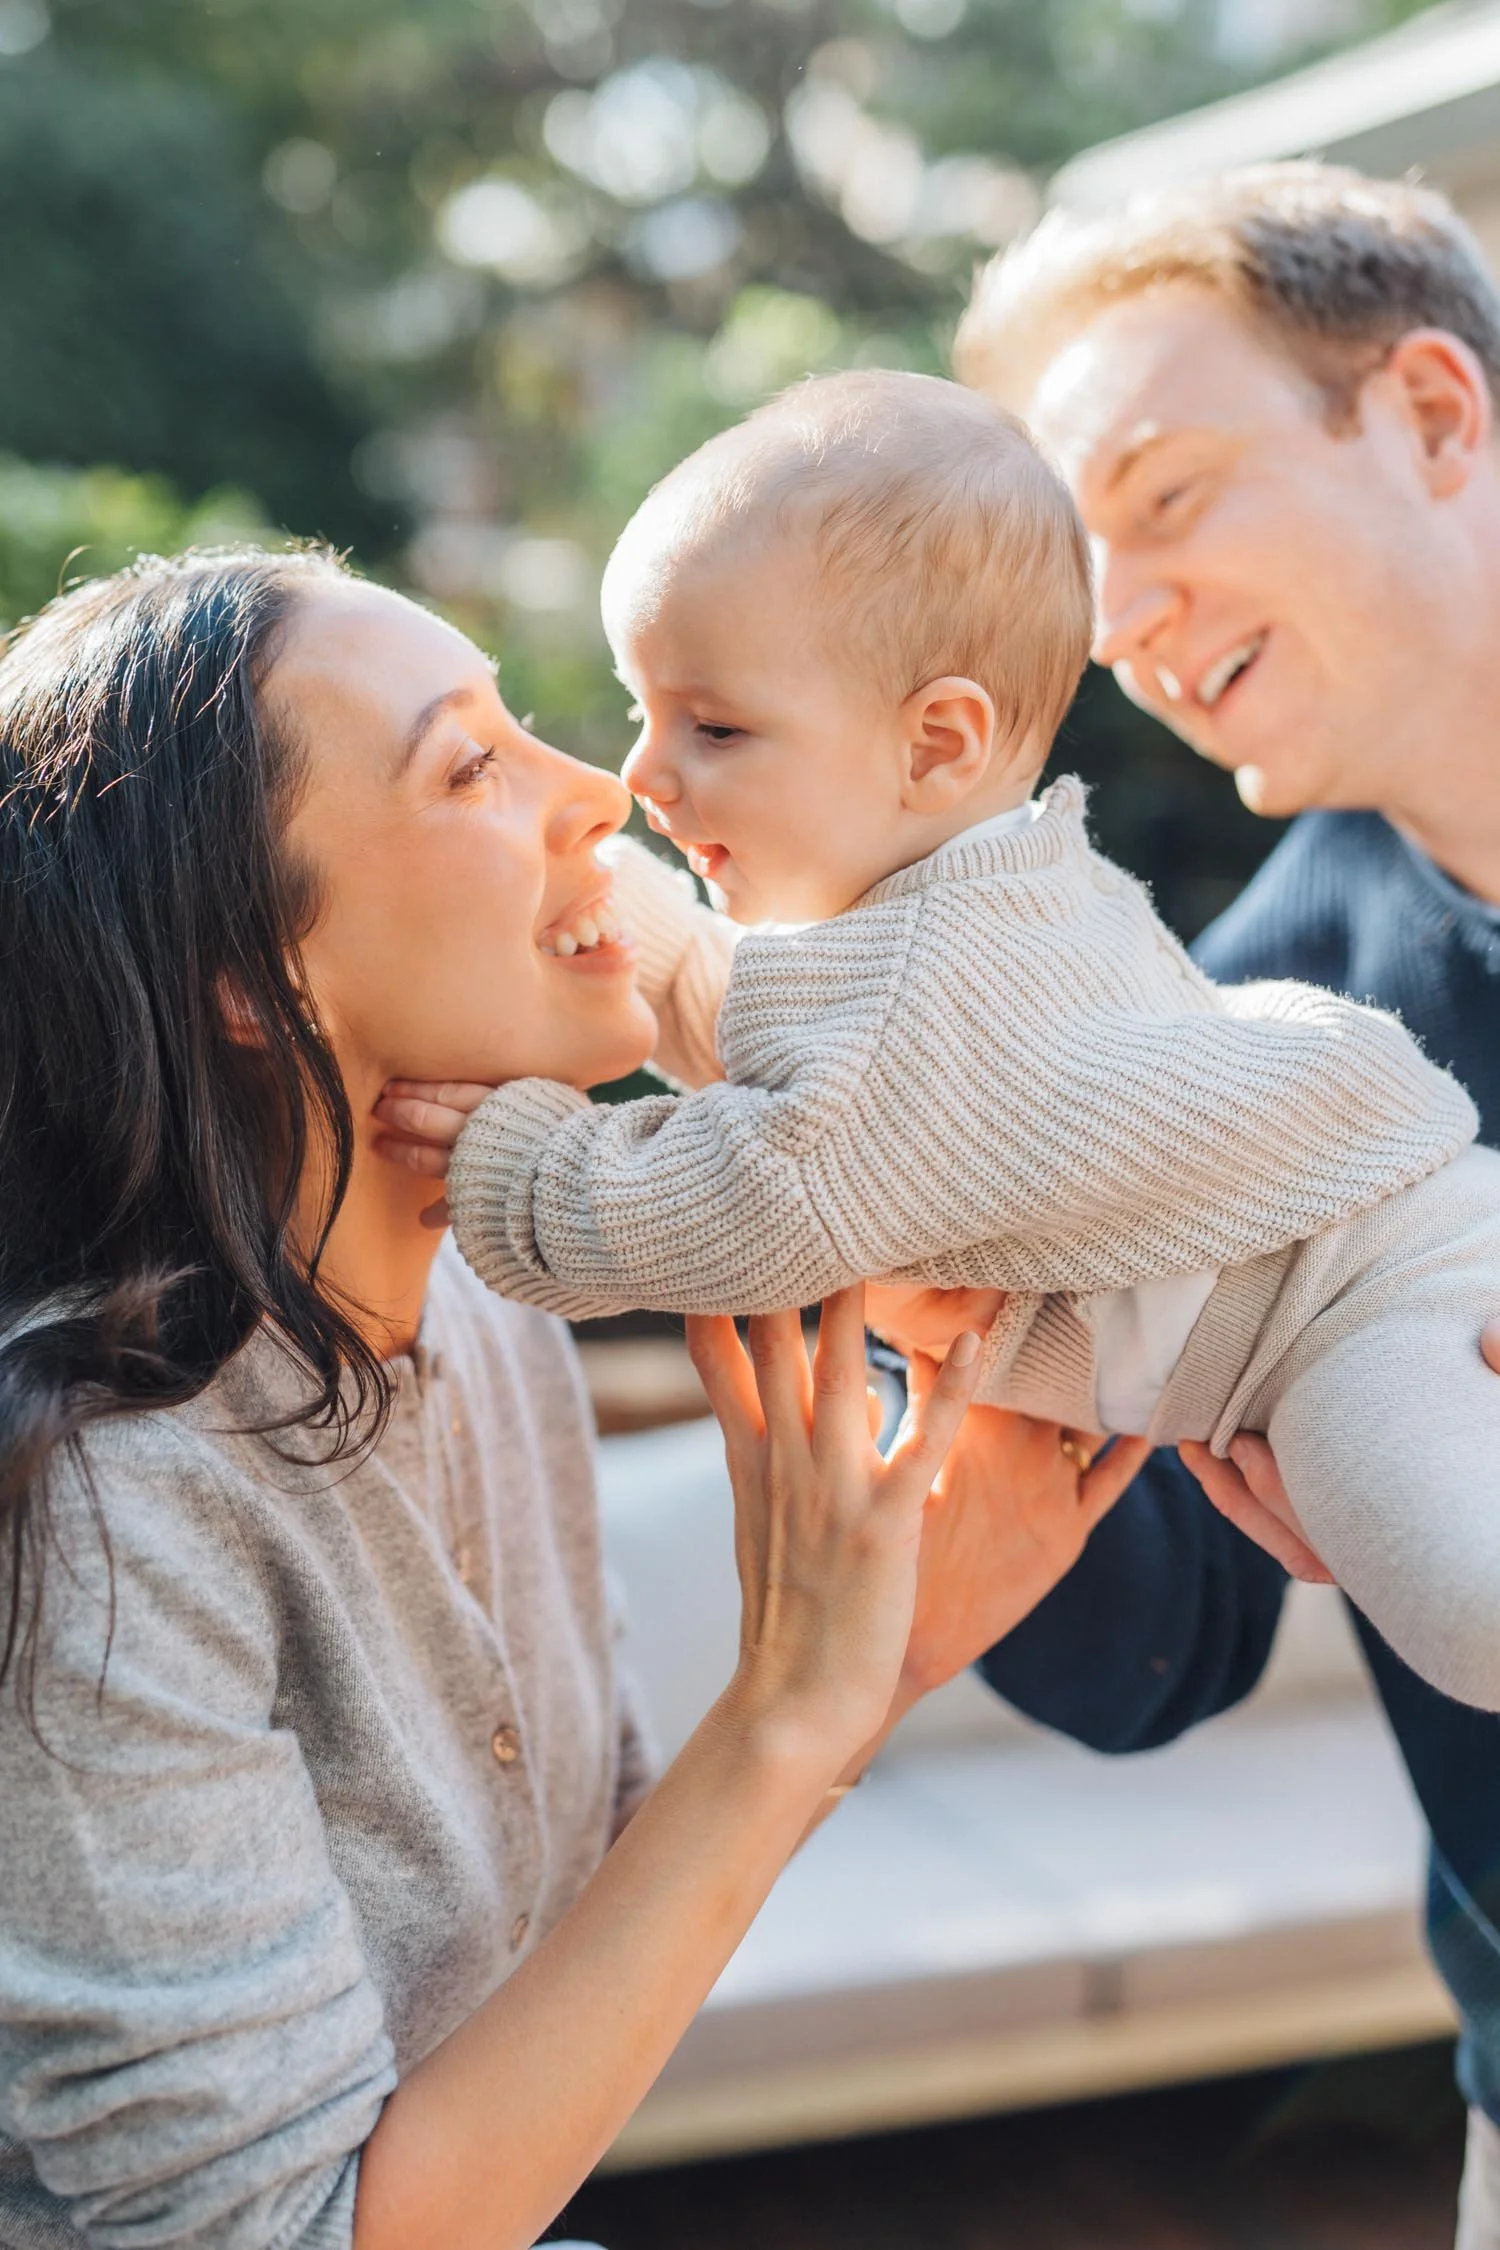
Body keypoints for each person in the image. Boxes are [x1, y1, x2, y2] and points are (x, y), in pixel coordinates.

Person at [0, 546, 1146, 2250]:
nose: (597, 787)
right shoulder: (109, 1504)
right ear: (256, 981)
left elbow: (556, 1957)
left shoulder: (482, 1308)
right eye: (468, 762)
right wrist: (784, 1713)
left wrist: (873, 1658)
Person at [375, 365, 1500, 1713]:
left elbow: (761, 1192)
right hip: (1375, 1259)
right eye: (643, 711)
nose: (642, 775)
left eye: (714, 725)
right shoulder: (961, 913)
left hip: (1359, 1315)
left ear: (936, 744)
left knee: (1475, 1620)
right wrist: (633, 923)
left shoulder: (927, 986)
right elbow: (766, 1032)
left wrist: (528, 1165)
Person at [944, 161, 1500, 2246]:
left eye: (1164, 496)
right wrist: (934, 1289)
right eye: (1082, 564)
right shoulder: (1252, 1034)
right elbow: (1143, 1653)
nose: (1123, 616)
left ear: (1435, 417)